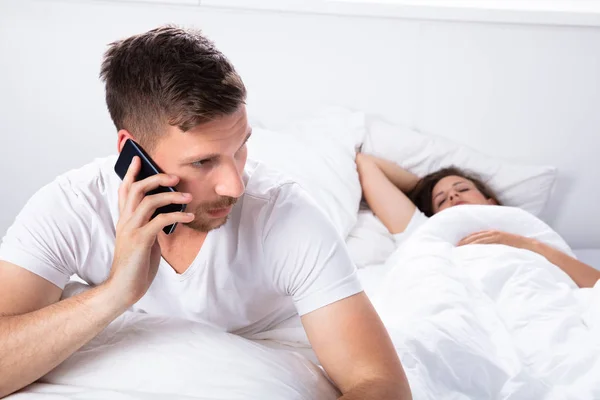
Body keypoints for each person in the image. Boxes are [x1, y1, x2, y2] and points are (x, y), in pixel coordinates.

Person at [0, 26, 412, 399]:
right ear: (131, 150)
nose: (234, 185)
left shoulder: (286, 217)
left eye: (240, 148)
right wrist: (114, 294)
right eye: (203, 162)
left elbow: (381, 384)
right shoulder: (74, 206)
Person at [355, 152, 600, 289]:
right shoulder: (426, 230)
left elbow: (594, 283)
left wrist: (523, 244)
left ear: (491, 202)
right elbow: (366, 163)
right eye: (441, 200)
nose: (452, 195)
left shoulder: (525, 231)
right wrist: (422, 187)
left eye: (462, 188)